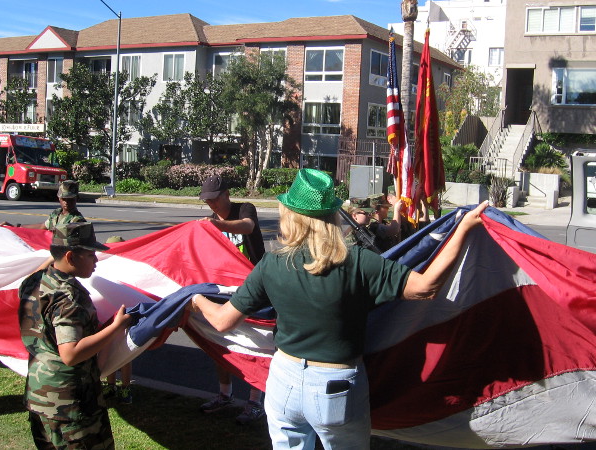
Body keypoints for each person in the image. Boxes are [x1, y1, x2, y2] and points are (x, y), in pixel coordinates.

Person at [191, 168, 488, 449]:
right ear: (332, 215)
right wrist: (463, 229)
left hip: (283, 380)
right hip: (337, 386)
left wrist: (194, 299)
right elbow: (426, 287)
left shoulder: (272, 264)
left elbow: (222, 322)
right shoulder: (358, 260)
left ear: (291, 215)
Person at [18, 222, 131, 449]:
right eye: (90, 255)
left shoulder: (35, 281)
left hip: (39, 398)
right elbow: (70, 353)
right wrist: (116, 328)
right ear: (70, 256)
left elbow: (40, 272)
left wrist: (56, 254)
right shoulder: (68, 298)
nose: (96, 261)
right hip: (70, 406)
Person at [198, 175, 267, 425]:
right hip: (224, 289)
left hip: (254, 287)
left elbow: (247, 226)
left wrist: (218, 226)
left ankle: (254, 401)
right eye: (207, 201)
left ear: (226, 194)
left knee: (255, 344)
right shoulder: (211, 220)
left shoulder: (244, 209)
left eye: (215, 199)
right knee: (222, 343)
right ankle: (225, 394)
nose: (212, 205)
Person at [101, 235, 134, 405]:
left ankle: (126, 387)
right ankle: (110, 384)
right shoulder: (102, 267)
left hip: (124, 315)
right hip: (108, 316)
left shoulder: (128, 267)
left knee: (125, 354)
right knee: (108, 351)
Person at [0, 180, 85, 230]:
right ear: (59, 198)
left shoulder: (78, 221)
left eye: (70, 199)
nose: (66, 202)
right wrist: (16, 227)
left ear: (76, 198)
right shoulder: (57, 214)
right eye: (64, 198)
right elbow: (42, 226)